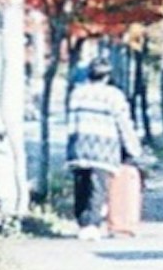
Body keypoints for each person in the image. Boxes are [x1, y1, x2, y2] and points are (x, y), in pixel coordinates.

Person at [60, 57, 140, 230]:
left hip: (79, 146)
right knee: (97, 188)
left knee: (81, 186)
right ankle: (91, 225)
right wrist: (133, 149)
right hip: (103, 147)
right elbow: (123, 124)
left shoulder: (77, 93)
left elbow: (70, 121)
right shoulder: (114, 95)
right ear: (107, 76)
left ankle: (82, 223)